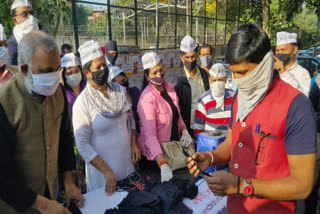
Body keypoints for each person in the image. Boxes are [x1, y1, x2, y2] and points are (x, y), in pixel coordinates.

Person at [187, 24, 316, 214]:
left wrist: (241, 186)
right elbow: (232, 141)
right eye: (233, 73)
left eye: (243, 72)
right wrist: (210, 157)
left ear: (265, 63)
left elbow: (302, 185)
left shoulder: (297, 107)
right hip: (236, 208)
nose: (238, 80)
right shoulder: (241, 98)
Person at [0, 31, 84, 214]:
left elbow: (65, 138)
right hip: (17, 205)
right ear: (24, 69)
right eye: (46, 71)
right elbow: (3, 176)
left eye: (57, 69)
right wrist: (44, 206)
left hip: (51, 194)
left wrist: (68, 182)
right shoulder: (5, 104)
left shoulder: (58, 93)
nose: (53, 77)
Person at [73, 40, 139, 194]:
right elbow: (82, 145)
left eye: (104, 65)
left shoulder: (120, 90)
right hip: (104, 177)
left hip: (127, 167)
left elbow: (130, 118)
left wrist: (134, 141)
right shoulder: (82, 103)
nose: (103, 69)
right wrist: (106, 170)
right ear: (87, 73)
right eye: (98, 67)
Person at [137, 52, 194, 183]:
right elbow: (150, 135)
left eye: (161, 70)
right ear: (147, 76)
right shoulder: (146, 100)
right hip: (157, 160)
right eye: (154, 72)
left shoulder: (170, 88)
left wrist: (184, 132)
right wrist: (162, 164)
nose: (159, 74)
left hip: (173, 153)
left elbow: (177, 115)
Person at [60, 52, 87, 194]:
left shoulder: (87, 88)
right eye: (69, 72)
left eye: (76, 71)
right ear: (63, 74)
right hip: (73, 140)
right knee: (78, 171)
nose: (73, 75)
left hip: (90, 135)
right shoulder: (62, 92)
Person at [175, 35, 210, 138]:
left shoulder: (204, 74)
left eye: (193, 57)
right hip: (189, 129)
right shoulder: (178, 80)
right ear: (181, 58)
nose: (190, 60)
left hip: (205, 125)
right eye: (187, 57)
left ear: (197, 55)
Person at [193, 63, 235, 137]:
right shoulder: (203, 100)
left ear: (225, 79)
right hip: (211, 145)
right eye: (214, 80)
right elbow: (198, 129)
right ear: (209, 80)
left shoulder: (234, 97)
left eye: (220, 80)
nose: (217, 83)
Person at [274, 31, 311, 97]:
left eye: (283, 50)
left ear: (294, 50)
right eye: (277, 50)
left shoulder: (302, 73)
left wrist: (284, 73)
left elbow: (303, 98)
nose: (280, 53)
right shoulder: (273, 70)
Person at [109, 65, 141, 134]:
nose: (122, 84)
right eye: (119, 84)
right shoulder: (117, 101)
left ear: (126, 77)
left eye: (123, 80)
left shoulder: (135, 91)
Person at [8, 0, 39, 65]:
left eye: (32, 13)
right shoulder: (12, 45)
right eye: (24, 14)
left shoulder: (40, 41)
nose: (31, 18)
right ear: (15, 20)